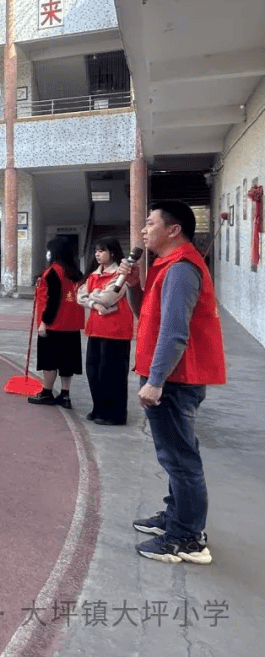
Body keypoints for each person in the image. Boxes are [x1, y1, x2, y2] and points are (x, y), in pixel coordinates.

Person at [122, 201, 225, 565]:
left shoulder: (182, 269)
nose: (144, 231)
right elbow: (146, 316)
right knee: (175, 456)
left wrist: (156, 380)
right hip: (170, 378)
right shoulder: (166, 267)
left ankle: (187, 539)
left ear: (174, 229)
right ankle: (176, 516)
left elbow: (175, 332)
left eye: (150, 224)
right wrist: (134, 286)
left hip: (175, 381)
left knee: (181, 459)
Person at [78, 237, 134, 425]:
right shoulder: (94, 274)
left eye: (101, 251)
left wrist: (93, 299)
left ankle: (115, 415)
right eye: (96, 251)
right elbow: (80, 295)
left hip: (115, 331)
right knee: (94, 372)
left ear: (112, 253)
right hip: (96, 329)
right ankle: (99, 409)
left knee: (113, 374)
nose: (97, 254)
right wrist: (94, 303)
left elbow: (109, 297)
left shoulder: (121, 273)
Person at [28, 236, 85, 408]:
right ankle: (65, 395)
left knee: (50, 360)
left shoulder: (54, 271)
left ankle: (47, 393)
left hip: (55, 324)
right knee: (67, 361)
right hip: (72, 324)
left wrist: (44, 322)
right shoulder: (76, 272)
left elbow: (53, 300)